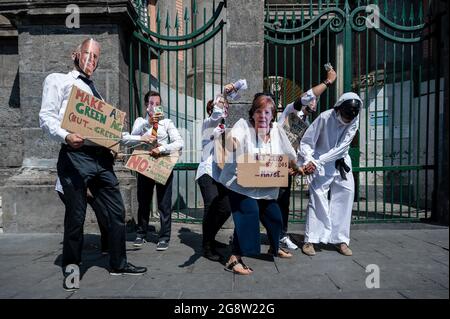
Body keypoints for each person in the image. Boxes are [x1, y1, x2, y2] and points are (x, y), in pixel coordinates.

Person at [39, 38, 147, 291]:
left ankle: (118, 263)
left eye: (96, 56)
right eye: (87, 54)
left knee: (117, 212)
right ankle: (72, 269)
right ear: (75, 54)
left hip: (101, 160)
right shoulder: (59, 81)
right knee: (76, 217)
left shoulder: (95, 93)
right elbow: (46, 117)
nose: (91, 59)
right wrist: (66, 136)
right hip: (75, 157)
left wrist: (140, 139)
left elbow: (110, 133)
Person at [217, 93, 313, 275]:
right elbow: (233, 139)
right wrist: (229, 141)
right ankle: (234, 258)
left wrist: (297, 167)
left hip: (265, 185)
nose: (263, 116)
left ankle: (274, 247)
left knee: (275, 218)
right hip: (240, 183)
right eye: (259, 111)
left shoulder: (276, 130)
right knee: (249, 214)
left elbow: (289, 153)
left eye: (267, 112)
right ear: (252, 113)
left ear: (272, 115)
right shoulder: (243, 126)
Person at [276, 68, 337, 250]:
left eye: (316, 101)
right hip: (274, 161)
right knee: (265, 200)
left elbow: (304, 150)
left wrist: (300, 168)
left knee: (283, 202)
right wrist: (328, 82)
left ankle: (281, 235)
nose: (314, 102)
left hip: (289, 167)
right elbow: (306, 95)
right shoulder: (290, 111)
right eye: (312, 99)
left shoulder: (311, 125)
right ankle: (244, 234)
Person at [299, 92, 362, 257]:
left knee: (345, 197)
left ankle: (340, 240)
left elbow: (342, 147)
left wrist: (317, 162)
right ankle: (310, 239)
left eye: (351, 117)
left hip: (340, 163)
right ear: (339, 108)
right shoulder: (325, 117)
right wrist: (309, 160)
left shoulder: (354, 120)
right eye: (345, 115)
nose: (347, 120)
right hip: (320, 164)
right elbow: (307, 141)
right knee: (317, 198)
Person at [130, 91, 184, 251]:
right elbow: (131, 138)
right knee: (143, 201)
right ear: (147, 106)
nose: (155, 106)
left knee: (164, 203)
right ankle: (141, 233)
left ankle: (164, 236)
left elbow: (179, 142)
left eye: (158, 104)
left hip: (162, 163)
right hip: (144, 164)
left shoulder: (167, 123)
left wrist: (162, 148)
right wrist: (147, 123)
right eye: (152, 103)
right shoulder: (140, 122)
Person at [196, 96, 232, 261]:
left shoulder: (226, 128)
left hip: (221, 174)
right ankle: (207, 246)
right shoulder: (208, 123)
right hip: (207, 172)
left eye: (226, 107)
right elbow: (215, 116)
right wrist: (222, 97)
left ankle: (210, 237)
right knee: (211, 207)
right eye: (219, 107)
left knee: (226, 208)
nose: (224, 109)